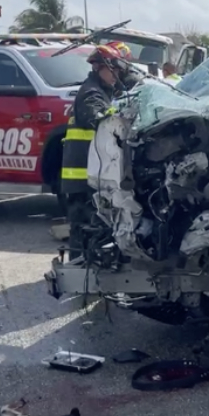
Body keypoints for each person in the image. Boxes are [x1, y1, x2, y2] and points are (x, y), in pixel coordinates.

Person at [61, 44, 144, 263]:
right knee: (84, 226)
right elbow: (100, 118)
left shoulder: (103, 90)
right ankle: (78, 275)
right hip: (81, 177)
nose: (117, 76)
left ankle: (84, 267)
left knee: (94, 226)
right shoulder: (91, 93)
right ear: (101, 68)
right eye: (114, 71)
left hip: (90, 174)